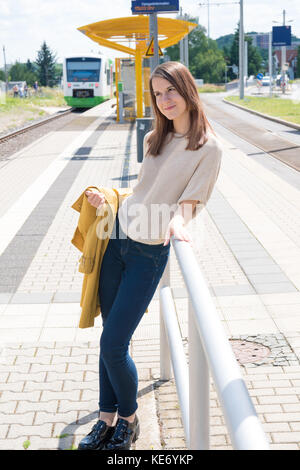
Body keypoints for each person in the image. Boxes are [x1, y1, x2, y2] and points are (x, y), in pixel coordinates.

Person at [78, 61, 223, 451]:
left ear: (187, 90)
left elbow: (191, 201)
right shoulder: (153, 139)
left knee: (113, 344)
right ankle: (105, 419)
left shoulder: (207, 148)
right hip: (118, 240)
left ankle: (129, 419)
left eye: (170, 91)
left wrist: (178, 222)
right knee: (110, 337)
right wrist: (109, 198)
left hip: (149, 253)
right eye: (157, 94)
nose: (164, 100)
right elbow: (144, 190)